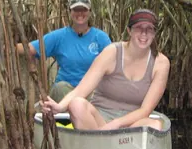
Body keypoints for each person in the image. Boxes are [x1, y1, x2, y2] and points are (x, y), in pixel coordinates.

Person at [42, 9, 170, 130]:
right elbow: (81, 90)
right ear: (129, 31)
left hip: (133, 125)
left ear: (154, 34)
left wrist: (117, 124)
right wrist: (59, 107)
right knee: (77, 104)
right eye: (139, 28)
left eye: (149, 29)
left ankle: (103, 140)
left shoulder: (161, 63)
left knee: (154, 125)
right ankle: (97, 141)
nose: (144, 34)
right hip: (99, 120)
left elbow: (145, 110)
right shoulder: (111, 52)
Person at [18, 0, 111, 102]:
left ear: (90, 12)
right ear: (70, 12)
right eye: (76, 10)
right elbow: (30, 48)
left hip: (92, 91)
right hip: (66, 91)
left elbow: (113, 61)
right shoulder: (59, 36)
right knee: (59, 88)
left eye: (84, 10)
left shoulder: (101, 37)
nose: (80, 13)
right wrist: (7, 47)